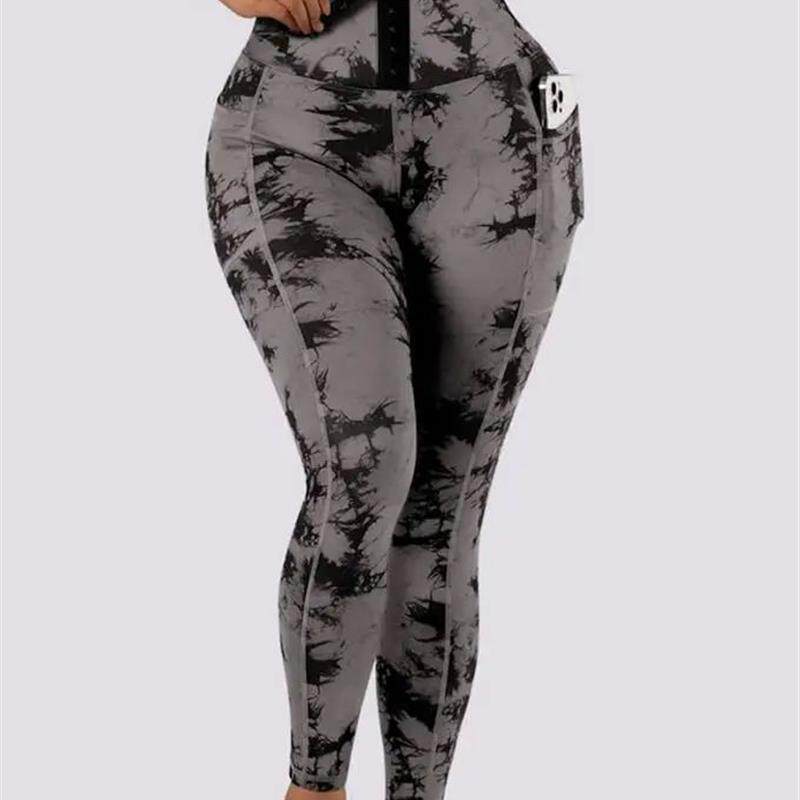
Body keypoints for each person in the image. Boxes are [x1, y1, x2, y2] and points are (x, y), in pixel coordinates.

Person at [205, 1, 584, 798]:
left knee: (442, 514)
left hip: (494, 128)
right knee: (364, 465)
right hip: (297, 131)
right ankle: (314, 788)